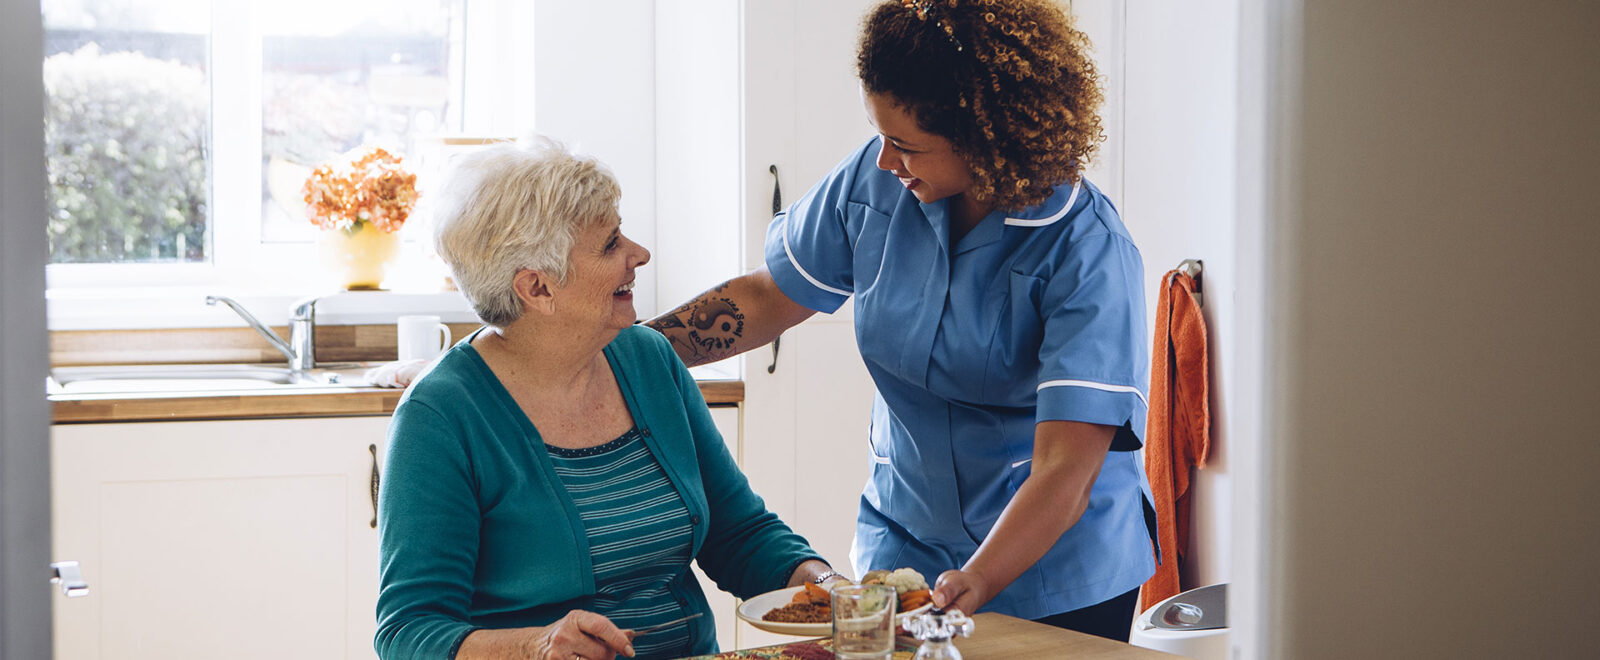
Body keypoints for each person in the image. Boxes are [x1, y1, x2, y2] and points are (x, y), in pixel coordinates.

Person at [645, 0, 1157, 642]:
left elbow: (1064, 470)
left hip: (1055, 570)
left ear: (987, 140)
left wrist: (978, 578)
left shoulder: (1088, 253)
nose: (885, 159)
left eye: (907, 146)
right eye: (880, 134)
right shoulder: (879, 178)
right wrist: (630, 351)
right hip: (904, 545)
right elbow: (768, 296)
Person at [374, 139, 838, 660]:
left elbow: (738, 533)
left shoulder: (648, 359)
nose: (639, 254)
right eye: (611, 244)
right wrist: (536, 647)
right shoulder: (440, 417)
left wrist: (827, 585)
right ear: (538, 288)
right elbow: (408, 633)